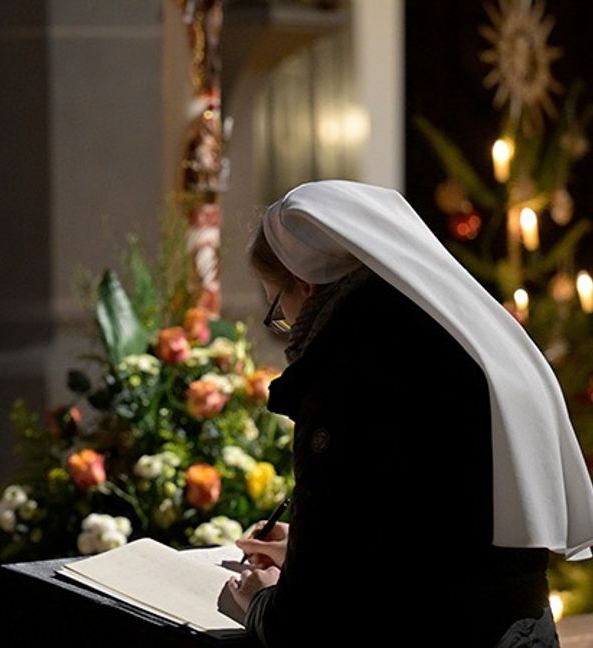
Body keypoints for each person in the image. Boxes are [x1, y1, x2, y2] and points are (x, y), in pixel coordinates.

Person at [225, 180, 593, 646]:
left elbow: (307, 622)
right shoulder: (452, 334)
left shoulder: (352, 367)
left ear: (306, 284)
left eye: (281, 309)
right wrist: (311, 550)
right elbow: (421, 528)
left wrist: (262, 598)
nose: (289, 326)